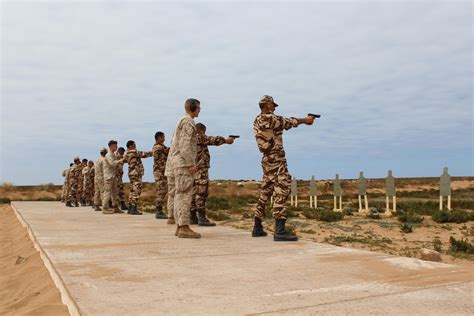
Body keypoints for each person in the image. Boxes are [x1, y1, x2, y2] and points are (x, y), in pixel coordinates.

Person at [252, 95, 315, 241]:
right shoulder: (268, 118)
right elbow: (287, 122)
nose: (274, 107)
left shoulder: (257, 120)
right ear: (267, 105)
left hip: (268, 160)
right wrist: (306, 120)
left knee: (266, 191)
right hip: (276, 159)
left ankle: (257, 226)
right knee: (283, 189)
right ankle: (279, 231)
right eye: (273, 105)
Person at [165, 98, 201, 238]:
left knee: (179, 194)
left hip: (176, 163)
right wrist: (190, 164)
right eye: (198, 107)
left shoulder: (181, 121)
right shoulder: (188, 122)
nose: (200, 110)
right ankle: (184, 227)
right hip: (182, 164)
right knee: (185, 195)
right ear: (192, 108)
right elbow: (184, 146)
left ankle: (180, 227)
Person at [190, 123, 234, 226]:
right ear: (201, 130)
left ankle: (192, 218)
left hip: (193, 170)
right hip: (200, 170)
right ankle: (201, 218)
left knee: (193, 193)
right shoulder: (198, 136)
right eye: (204, 131)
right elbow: (213, 140)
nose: (204, 133)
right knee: (201, 193)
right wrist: (226, 140)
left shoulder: (190, 139)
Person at [124, 140, 152, 215]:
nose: (135, 145)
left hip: (131, 173)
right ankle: (133, 208)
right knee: (137, 190)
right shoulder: (133, 152)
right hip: (136, 173)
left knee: (132, 190)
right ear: (130, 146)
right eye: (134, 144)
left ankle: (130, 208)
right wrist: (153, 152)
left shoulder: (126, 154)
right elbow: (144, 154)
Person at [102, 140, 125, 214]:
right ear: (111, 146)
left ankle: (115, 207)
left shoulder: (113, 154)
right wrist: (121, 160)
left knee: (115, 193)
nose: (116, 147)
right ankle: (105, 208)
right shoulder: (108, 155)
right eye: (115, 145)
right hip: (109, 177)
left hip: (113, 176)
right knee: (107, 192)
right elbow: (112, 163)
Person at [152, 131, 169, 219]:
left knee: (163, 190)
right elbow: (169, 151)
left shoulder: (160, 147)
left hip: (161, 171)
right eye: (163, 137)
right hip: (160, 172)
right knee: (161, 191)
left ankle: (159, 210)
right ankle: (158, 211)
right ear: (159, 138)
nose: (164, 139)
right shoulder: (158, 147)